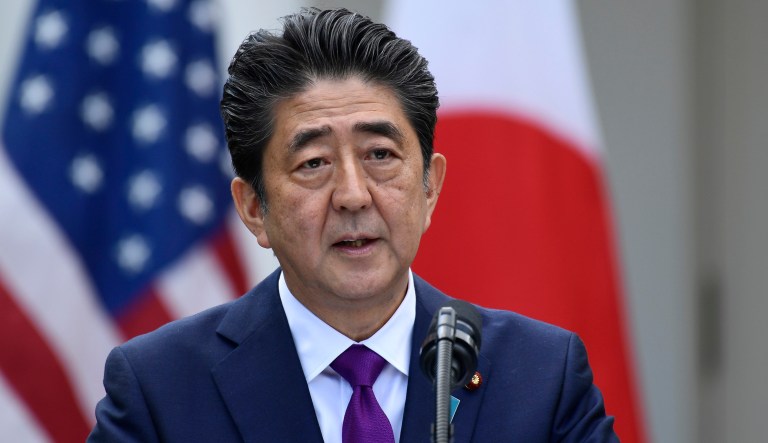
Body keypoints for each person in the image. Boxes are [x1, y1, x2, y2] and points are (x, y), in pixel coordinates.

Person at [88, 7, 618, 442]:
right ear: (254, 208)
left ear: (430, 187)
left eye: (380, 154)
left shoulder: (541, 378)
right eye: (313, 163)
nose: (353, 195)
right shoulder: (160, 392)